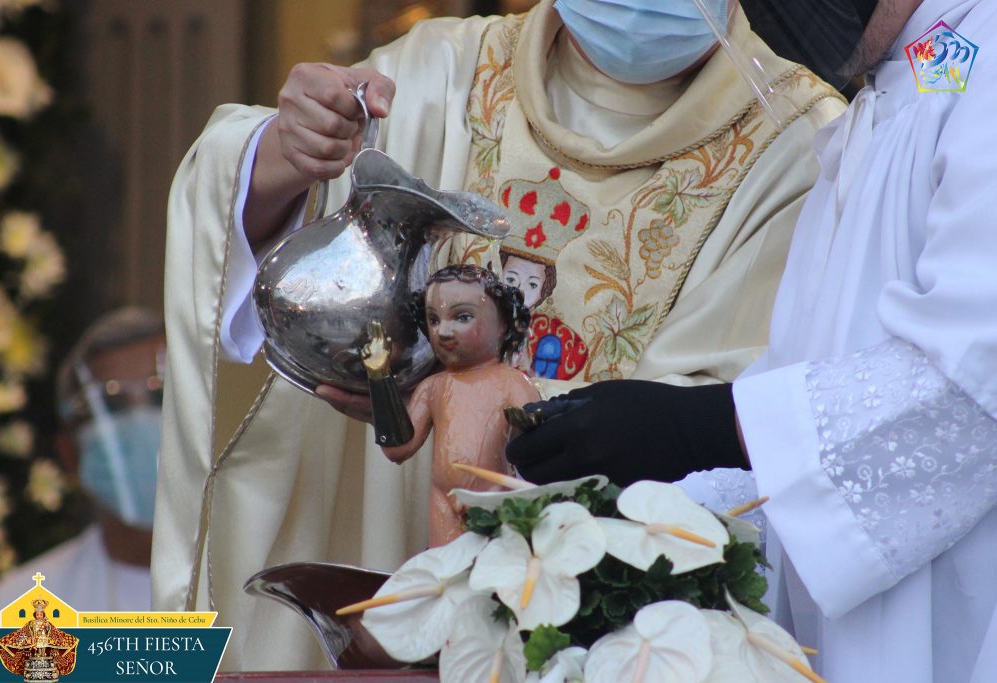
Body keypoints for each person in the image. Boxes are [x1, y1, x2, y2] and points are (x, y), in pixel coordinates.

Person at [155, 0, 847, 670]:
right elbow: (260, 218)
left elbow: (754, 418)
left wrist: (479, 403)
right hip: (386, 540)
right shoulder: (440, 73)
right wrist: (286, 151)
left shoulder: (805, 142)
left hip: (611, 634)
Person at [507, 1, 997, 681]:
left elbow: (973, 385)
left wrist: (706, 425)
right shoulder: (897, 84)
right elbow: (818, 368)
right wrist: (632, 519)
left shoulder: (986, 64)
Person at [0, 307, 164, 623]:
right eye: (111, 407)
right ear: (71, 456)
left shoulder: (262, 596)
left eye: (161, 398)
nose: (140, 423)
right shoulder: (6, 616)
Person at [365, 264, 539, 546]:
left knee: (488, 579)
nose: (443, 331)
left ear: (504, 324)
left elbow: (534, 454)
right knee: (446, 578)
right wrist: (379, 377)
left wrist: (500, 493)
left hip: (495, 503)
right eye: (433, 320)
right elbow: (398, 449)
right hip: (442, 504)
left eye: (462, 317)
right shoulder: (434, 387)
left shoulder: (512, 384)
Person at [0, 598, 78, 678]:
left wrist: (47, 627)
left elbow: (53, 630)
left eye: (41, 614)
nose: (39, 616)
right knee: (37, 648)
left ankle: (43, 654)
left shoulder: (46, 623)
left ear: (43, 615)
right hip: (35, 639)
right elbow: (25, 630)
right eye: (38, 614)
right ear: (35, 615)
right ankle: (37, 654)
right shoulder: (32, 623)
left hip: (44, 638)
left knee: (43, 647)